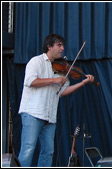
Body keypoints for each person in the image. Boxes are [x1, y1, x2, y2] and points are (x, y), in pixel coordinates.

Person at [18, 34, 95, 167]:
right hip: (32, 113)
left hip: (49, 116)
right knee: (28, 150)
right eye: (59, 45)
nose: (62, 48)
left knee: (48, 152)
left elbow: (62, 92)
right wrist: (54, 80)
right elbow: (30, 81)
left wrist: (82, 83)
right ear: (49, 46)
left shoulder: (61, 71)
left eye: (62, 45)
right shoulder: (36, 61)